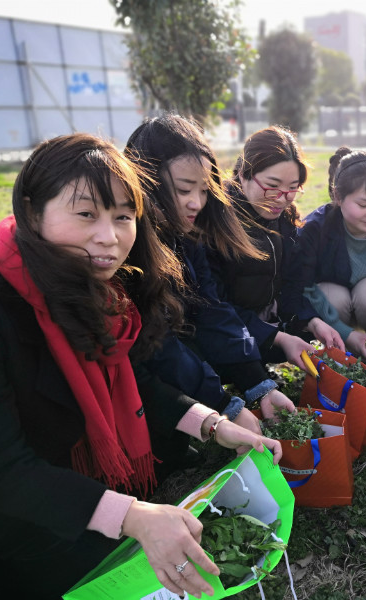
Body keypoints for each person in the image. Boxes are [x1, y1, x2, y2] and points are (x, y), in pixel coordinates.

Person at [0, 133, 282, 599]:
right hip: (2, 514)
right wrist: (133, 516)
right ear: (32, 212)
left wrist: (216, 425)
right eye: (85, 214)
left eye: (123, 216)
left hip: (64, 482)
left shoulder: (102, 287)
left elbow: (135, 379)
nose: (109, 238)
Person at [124, 114, 297, 440]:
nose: (197, 203)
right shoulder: (127, 248)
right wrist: (223, 405)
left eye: (204, 190)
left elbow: (211, 308)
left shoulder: (188, 234)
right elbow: (158, 344)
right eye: (184, 189)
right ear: (143, 180)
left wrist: (258, 385)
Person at [210, 126, 344, 363]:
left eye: (293, 187)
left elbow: (292, 284)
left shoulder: (285, 219)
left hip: (267, 325)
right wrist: (276, 337)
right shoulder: (216, 222)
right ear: (243, 174)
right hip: (226, 333)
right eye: (272, 185)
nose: (282, 199)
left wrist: (311, 322)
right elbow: (215, 309)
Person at [288, 147, 366, 359]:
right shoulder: (313, 230)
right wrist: (347, 333)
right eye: (363, 204)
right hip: (334, 308)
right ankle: (339, 352)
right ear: (338, 196)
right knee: (330, 295)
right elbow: (300, 286)